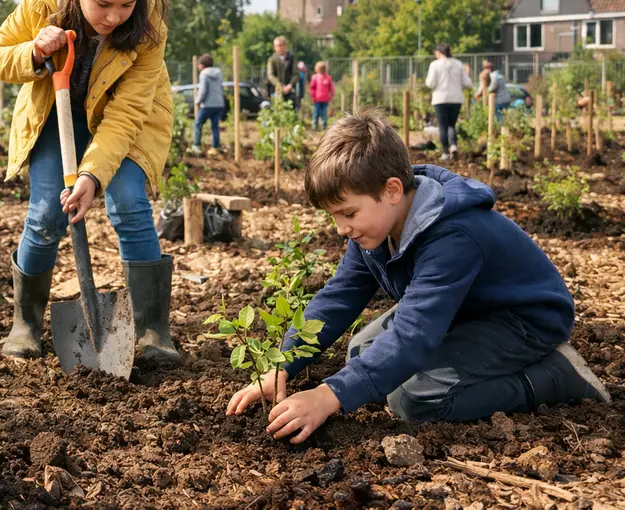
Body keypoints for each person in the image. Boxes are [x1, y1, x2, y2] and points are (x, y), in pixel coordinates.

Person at [225, 109, 608, 443]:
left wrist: (327, 396)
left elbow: (415, 334)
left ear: (391, 190)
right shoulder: (374, 229)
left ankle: (556, 376)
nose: (341, 228)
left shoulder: (453, 236)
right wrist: (283, 364)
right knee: (361, 351)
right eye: (333, 216)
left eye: (348, 213)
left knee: (415, 398)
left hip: (521, 320)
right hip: (459, 310)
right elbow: (340, 296)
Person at [0, 0, 179, 364]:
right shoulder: (44, 0)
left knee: (128, 201)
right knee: (47, 212)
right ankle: (26, 324)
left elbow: (126, 116)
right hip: (58, 113)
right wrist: (34, 52)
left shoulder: (148, 28)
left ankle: (152, 330)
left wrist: (92, 175)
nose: (115, 17)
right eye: (103, 4)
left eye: (126, 4)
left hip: (128, 120)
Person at [424, 43, 471, 161]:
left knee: (442, 125)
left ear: (439, 52)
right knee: (451, 124)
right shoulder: (458, 64)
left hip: (440, 99)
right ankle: (453, 145)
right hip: (456, 98)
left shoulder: (435, 65)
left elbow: (430, 83)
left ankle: (445, 152)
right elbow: (468, 83)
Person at [191, 53, 225, 155]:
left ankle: (196, 146)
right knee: (215, 126)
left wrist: (197, 101)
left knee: (198, 124)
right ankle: (215, 147)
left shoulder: (204, 74)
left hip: (208, 105)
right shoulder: (219, 73)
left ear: (202, 65)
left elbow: (203, 90)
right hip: (219, 103)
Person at [266, 36, 299, 111]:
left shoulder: (291, 57)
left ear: (285, 46)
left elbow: (296, 73)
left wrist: (290, 85)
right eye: (277, 46)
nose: (279, 48)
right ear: (274, 47)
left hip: (290, 89)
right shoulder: (272, 59)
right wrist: (280, 85)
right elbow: (270, 75)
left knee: (291, 108)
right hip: (276, 90)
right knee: (277, 108)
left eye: (281, 45)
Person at [309, 61, 335, 130]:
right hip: (317, 99)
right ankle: (315, 124)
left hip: (325, 99)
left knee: (324, 112)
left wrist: (332, 95)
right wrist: (313, 96)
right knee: (316, 112)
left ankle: (324, 125)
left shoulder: (328, 78)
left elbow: (331, 88)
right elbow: (312, 88)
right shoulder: (315, 77)